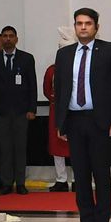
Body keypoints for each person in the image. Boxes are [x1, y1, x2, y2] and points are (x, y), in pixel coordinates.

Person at [53, 8, 111, 222]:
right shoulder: (64, 54)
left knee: (101, 175)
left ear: (96, 27)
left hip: (100, 121)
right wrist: (60, 123)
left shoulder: (109, 50)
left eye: (88, 23)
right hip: (74, 121)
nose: (83, 27)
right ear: (75, 26)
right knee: (81, 177)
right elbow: (60, 90)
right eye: (79, 23)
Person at [0, 26, 36, 194]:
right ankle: (7, 183)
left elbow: (32, 85)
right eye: (5, 36)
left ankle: (20, 183)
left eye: (11, 36)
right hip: (1, 112)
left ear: (16, 39)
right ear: (2, 39)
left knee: (20, 148)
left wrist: (32, 109)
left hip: (22, 112)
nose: (8, 39)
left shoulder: (27, 58)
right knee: (5, 149)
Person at [41, 43, 71, 192]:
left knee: (78, 147)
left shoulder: (78, 68)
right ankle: (61, 179)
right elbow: (47, 91)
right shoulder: (52, 70)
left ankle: (79, 179)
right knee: (56, 146)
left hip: (75, 112)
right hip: (56, 111)